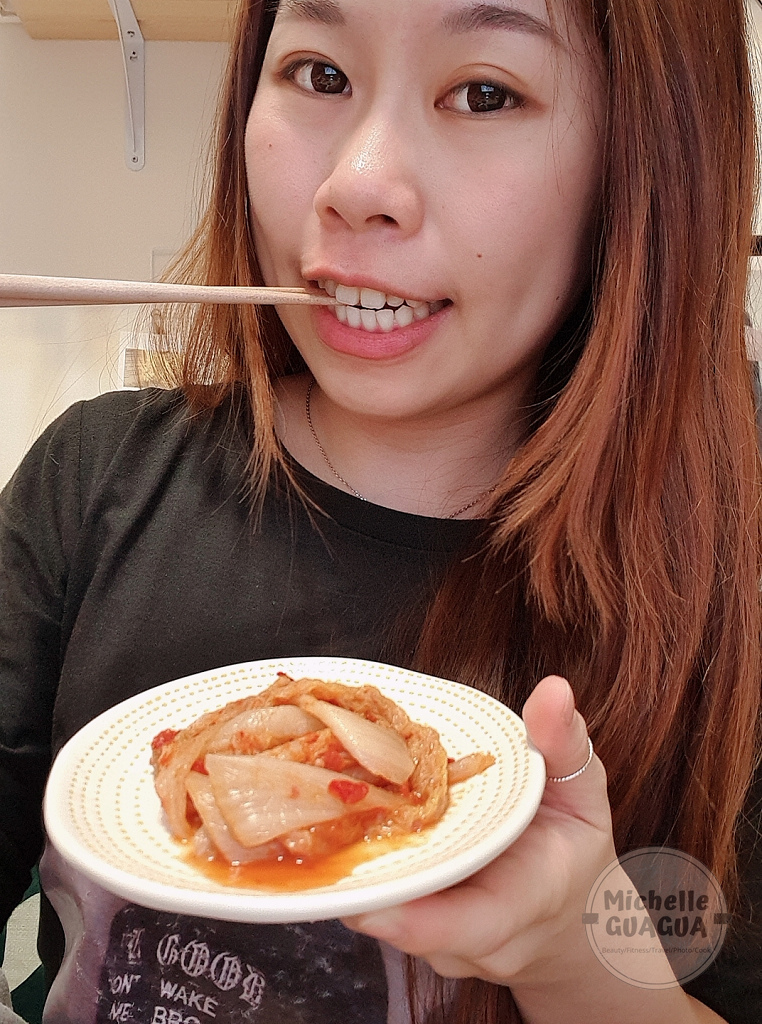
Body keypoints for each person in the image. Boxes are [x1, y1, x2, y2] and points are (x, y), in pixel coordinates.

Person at [1, 0, 760, 1021]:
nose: (357, 186)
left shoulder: (726, 580)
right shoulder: (91, 481)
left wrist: (569, 959)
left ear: (642, 163)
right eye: (320, 74)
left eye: (484, 93)